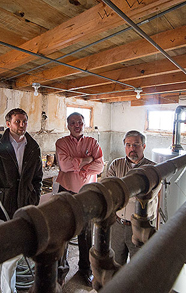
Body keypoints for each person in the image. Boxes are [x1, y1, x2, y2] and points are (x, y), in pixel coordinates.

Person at [0, 108, 43, 293]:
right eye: (17, 121)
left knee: (11, 261)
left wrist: (33, 200)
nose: (22, 125)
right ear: (8, 124)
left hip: (20, 213)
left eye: (24, 121)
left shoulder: (33, 147)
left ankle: (8, 291)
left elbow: (37, 179)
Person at [55, 112, 104, 286]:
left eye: (80, 122)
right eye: (73, 122)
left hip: (87, 192)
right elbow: (64, 165)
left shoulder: (92, 142)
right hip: (66, 191)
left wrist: (80, 168)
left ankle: (86, 269)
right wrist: (86, 160)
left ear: (84, 124)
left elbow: (100, 166)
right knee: (64, 232)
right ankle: (61, 271)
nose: (77, 125)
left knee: (86, 233)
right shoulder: (61, 143)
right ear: (68, 125)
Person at [107, 130, 158, 265]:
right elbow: (109, 191)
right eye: (128, 145)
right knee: (115, 263)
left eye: (136, 145)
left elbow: (148, 197)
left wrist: (120, 193)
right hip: (117, 224)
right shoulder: (115, 165)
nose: (132, 149)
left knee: (138, 266)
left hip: (140, 228)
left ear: (144, 146)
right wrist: (132, 194)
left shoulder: (153, 169)